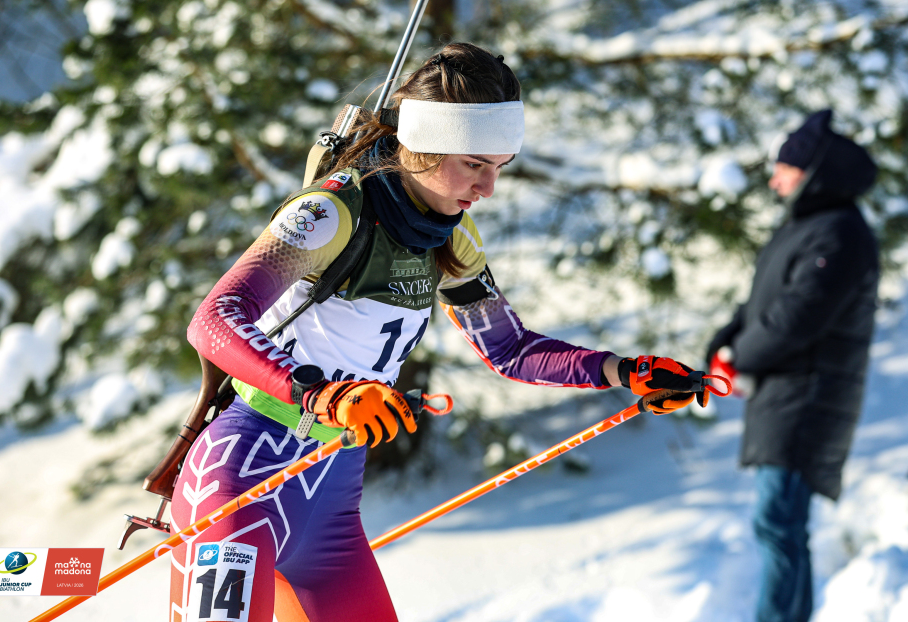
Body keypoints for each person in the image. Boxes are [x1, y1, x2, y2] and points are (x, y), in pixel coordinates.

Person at [169, 42, 707, 622]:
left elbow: (509, 347)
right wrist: (323, 394)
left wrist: (623, 371)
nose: (488, 187)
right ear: (424, 145)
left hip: (330, 500)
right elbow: (214, 318)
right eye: (474, 164)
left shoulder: (450, 237)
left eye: (499, 167)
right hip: (242, 479)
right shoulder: (331, 211)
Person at [705, 109, 879, 622]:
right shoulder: (805, 226)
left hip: (808, 396)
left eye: (784, 169)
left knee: (779, 522)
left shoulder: (839, 232)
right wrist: (723, 344)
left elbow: (797, 317)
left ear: (812, 172)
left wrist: (739, 358)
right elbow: (761, 304)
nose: (774, 180)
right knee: (777, 524)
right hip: (784, 395)